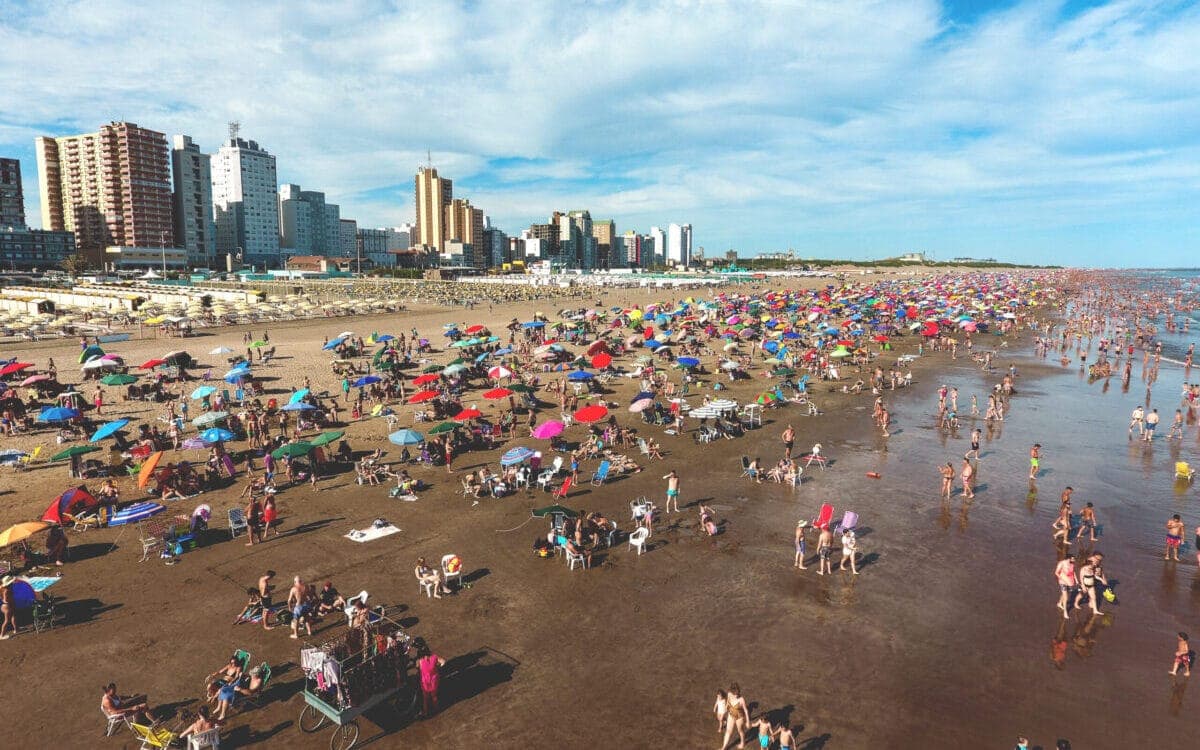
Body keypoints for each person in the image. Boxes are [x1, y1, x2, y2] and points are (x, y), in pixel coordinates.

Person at [417, 643, 446, 718]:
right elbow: (443, 662)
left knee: (425, 698)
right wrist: (438, 667)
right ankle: (436, 709)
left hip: (425, 681)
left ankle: (425, 712)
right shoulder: (434, 657)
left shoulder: (420, 661)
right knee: (434, 695)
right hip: (434, 679)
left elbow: (418, 668)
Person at [722, 682, 749, 750]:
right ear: (731, 691)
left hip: (739, 717)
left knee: (740, 731)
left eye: (737, 694)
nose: (736, 695)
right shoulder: (729, 694)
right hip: (731, 715)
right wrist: (726, 708)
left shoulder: (741, 699)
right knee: (728, 731)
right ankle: (724, 747)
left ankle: (743, 743)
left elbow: (746, 711)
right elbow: (727, 701)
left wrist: (748, 722)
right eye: (735, 694)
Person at [0, 575, 15, 640]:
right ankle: (2, 635)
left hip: (4, 605)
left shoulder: (2, 588)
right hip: (7, 606)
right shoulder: (7, 590)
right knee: (7, 621)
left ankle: (16, 629)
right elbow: (6, 599)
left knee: (13, 616)